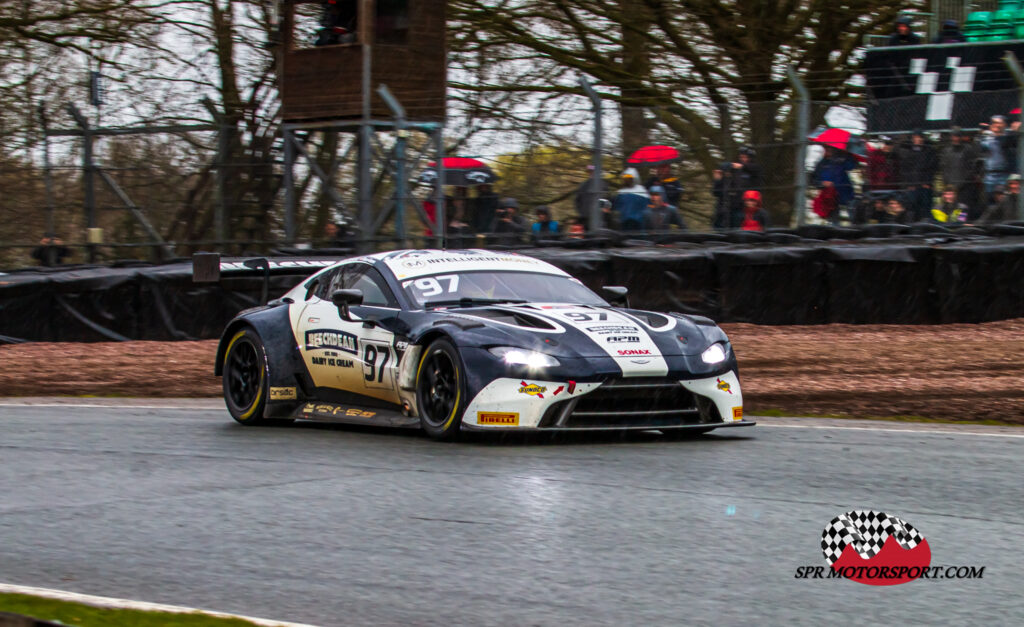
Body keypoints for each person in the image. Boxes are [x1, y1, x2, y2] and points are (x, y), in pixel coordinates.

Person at [896, 130, 938, 221]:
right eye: (915, 137)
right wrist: (910, 184)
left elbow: (932, 168)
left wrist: (927, 183)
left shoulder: (929, 152)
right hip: (913, 185)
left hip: (925, 185)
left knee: (925, 208)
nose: (917, 140)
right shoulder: (908, 153)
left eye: (919, 137)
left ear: (922, 139)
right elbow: (905, 170)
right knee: (912, 207)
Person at [812, 146, 858, 224]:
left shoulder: (841, 159)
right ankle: (835, 232)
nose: (829, 150)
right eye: (827, 148)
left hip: (845, 191)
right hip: (830, 196)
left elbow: (852, 165)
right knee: (833, 220)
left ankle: (854, 231)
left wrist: (848, 154)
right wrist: (822, 183)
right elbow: (814, 180)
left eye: (831, 148)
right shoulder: (821, 164)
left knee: (852, 215)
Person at [723, 147, 763, 219]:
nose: (742, 159)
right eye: (741, 157)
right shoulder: (737, 171)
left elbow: (752, 168)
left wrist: (741, 166)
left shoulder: (755, 168)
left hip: (750, 204)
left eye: (745, 157)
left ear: (750, 158)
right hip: (736, 202)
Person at [981, 115, 1012, 197]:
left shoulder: (1008, 137)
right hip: (989, 175)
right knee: (989, 200)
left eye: (999, 123)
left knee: (1004, 199)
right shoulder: (987, 138)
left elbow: (1005, 143)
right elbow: (980, 148)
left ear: (1004, 125)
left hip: (1004, 175)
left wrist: (998, 135)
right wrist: (984, 135)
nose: (997, 125)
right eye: (994, 123)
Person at [573, 165, 610, 229]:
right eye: (590, 172)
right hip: (586, 217)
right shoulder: (584, 185)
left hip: (599, 217)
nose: (591, 173)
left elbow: (607, 199)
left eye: (592, 171)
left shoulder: (603, 184)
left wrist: (604, 212)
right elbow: (577, 200)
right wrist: (582, 212)